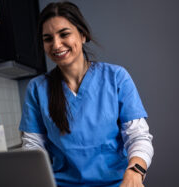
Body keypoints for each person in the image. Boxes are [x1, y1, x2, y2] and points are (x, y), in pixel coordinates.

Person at [19, 1, 153, 187]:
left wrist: (135, 171)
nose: (56, 44)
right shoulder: (37, 88)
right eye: (48, 39)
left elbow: (138, 136)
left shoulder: (116, 78)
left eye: (64, 34)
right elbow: (33, 146)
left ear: (82, 35)